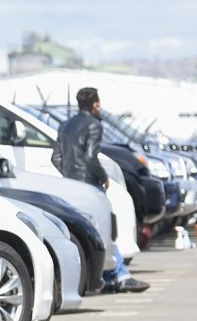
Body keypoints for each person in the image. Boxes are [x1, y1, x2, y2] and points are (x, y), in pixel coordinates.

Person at [53, 87, 149, 293]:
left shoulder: (65, 125)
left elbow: (56, 158)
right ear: (96, 104)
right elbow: (90, 157)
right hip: (89, 186)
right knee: (106, 231)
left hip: (69, 186)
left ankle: (106, 276)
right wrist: (103, 177)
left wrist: (69, 176)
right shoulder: (94, 126)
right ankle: (120, 275)